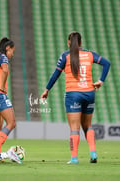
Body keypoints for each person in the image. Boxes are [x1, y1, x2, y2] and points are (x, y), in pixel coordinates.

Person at [40, 32, 110, 164]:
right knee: (87, 125)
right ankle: (93, 153)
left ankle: (74, 158)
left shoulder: (65, 56)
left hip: (73, 95)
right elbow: (107, 63)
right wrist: (100, 81)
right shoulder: (90, 54)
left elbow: (55, 75)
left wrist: (46, 89)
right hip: (89, 93)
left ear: (68, 42)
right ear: (81, 43)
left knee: (74, 127)